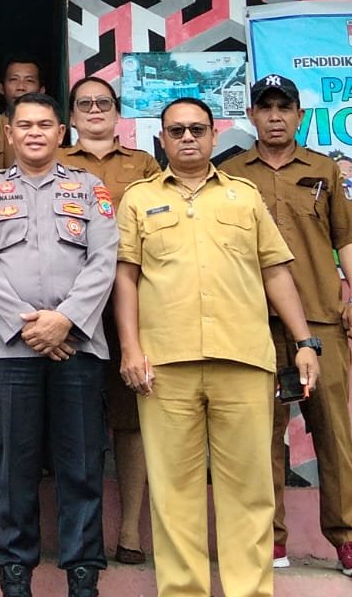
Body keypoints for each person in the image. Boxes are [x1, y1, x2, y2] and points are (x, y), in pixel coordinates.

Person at [114, 97, 321, 597]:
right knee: (174, 491)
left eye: (197, 129)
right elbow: (126, 277)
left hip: (242, 359)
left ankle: (249, 591)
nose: (187, 138)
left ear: (213, 136)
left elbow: (275, 271)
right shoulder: (138, 199)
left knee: (249, 489)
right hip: (166, 364)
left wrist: (304, 342)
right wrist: (130, 348)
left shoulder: (243, 196)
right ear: (161, 140)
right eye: (176, 131)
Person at [0, 93, 118, 597]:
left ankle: (83, 577)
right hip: (11, 350)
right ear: (9, 133)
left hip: (78, 347)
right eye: (24, 125)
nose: (34, 133)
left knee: (82, 466)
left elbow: (104, 260)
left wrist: (65, 321)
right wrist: (28, 327)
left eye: (44, 125)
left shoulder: (89, 189)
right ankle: (15, 577)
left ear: (60, 133)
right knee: (14, 466)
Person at [228, 75, 352, 580]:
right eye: (265, 107)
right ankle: (270, 539)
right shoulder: (230, 174)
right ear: (251, 115)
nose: (275, 116)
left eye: (284, 107)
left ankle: (350, 540)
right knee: (260, 436)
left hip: (321, 320)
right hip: (254, 322)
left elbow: (347, 238)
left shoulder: (323, 170)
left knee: (332, 433)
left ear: (299, 115)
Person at [58, 75, 159, 567]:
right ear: (71, 116)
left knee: (129, 419)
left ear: (118, 112)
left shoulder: (144, 165)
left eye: (103, 103)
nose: (94, 110)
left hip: (129, 301)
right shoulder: (55, 160)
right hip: (67, 305)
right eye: (84, 104)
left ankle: (129, 529)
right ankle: (77, 533)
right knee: (70, 420)